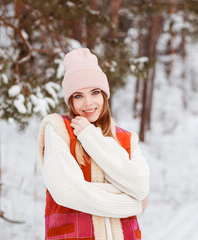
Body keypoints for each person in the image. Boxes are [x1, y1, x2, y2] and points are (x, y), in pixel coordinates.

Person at [36, 48, 150, 240]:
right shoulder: (58, 130)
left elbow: (140, 187)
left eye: (95, 92)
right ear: (70, 100)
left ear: (104, 94)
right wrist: (133, 204)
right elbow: (68, 193)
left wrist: (91, 137)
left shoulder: (126, 139)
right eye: (78, 96)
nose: (88, 103)